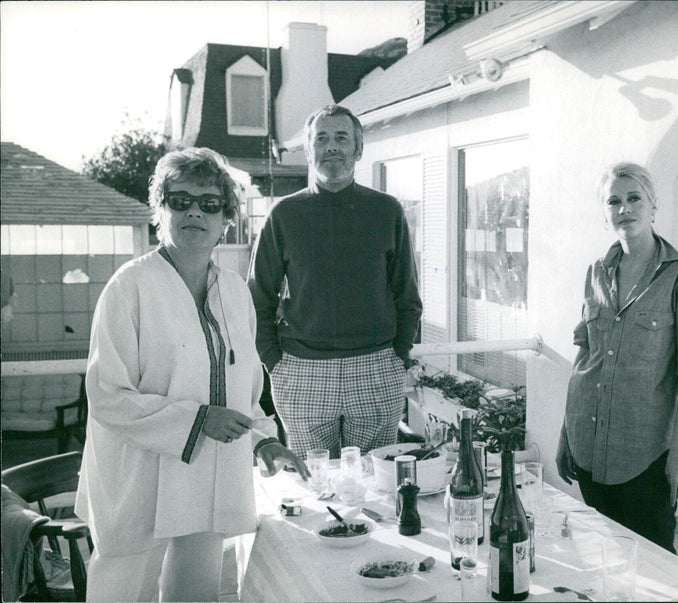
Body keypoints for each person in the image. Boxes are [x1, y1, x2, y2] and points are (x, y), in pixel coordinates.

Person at [75, 148, 309, 602]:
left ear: (227, 219)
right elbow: (107, 395)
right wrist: (199, 419)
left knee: (195, 594)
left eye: (209, 203)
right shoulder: (130, 287)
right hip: (139, 476)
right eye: (179, 200)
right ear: (160, 210)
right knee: (122, 593)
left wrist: (264, 440)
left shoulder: (236, 294)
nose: (194, 212)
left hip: (207, 473)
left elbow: (245, 390)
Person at [556, 162, 678, 553]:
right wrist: (565, 433)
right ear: (605, 212)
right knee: (604, 558)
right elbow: (584, 357)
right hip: (589, 448)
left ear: (653, 206)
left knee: (655, 564)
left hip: (645, 459)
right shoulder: (597, 272)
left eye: (633, 198)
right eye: (614, 201)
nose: (624, 208)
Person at [248, 105, 423, 459]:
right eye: (322, 138)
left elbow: (407, 295)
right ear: (308, 149)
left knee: (377, 485)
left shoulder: (387, 211)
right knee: (315, 486)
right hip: (301, 370)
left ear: (358, 149)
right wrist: (274, 361)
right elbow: (257, 296)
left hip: (375, 367)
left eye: (342, 138)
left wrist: (397, 356)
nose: (332, 147)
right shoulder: (283, 214)